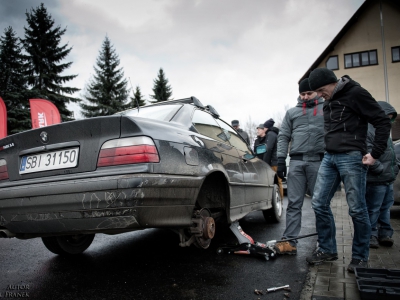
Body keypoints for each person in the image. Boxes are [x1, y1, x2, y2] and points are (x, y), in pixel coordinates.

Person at [305, 68, 391, 273]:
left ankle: (360, 257)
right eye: (315, 91)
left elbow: (381, 121)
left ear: (333, 83)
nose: (319, 94)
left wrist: (375, 153)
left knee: (357, 209)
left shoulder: (356, 93)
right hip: (330, 157)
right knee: (318, 203)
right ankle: (327, 249)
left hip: (352, 157)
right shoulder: (329, 100)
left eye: (321, 89)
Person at [274, 78, 325, 255]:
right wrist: (281, 159)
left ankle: (324, 243)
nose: (304, 97)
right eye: (302, 94)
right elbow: (283, 137)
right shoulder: (292, 113)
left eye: (308, 93)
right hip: (296, 162)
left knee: (320, 204)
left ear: (317, 92)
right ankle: (290, 242)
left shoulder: (327, 109)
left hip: (319, 161)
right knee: (294, 203)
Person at [366, 101, 398, 249]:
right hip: (376, 179)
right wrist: (380, 170)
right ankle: (371, 235)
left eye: (392, 118)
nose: (390, 121)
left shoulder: (385, 131)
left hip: (387, 179)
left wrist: (394, 168)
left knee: (385, 208)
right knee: (374, 209)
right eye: (388, 118)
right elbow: (367, 153)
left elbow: (391, 153)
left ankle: (385, 234)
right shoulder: (369, 130)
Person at [262, 118, 283, 199]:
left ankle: (279, 201)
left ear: (267, 127)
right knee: (279, 182)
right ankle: (280, 200)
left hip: (274, 162)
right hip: (277, 161)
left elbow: (269, 148)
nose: (263, 129)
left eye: (264, 127)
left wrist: (265, 162)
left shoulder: (270, 134)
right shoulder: (275, 134)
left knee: (276, 182)